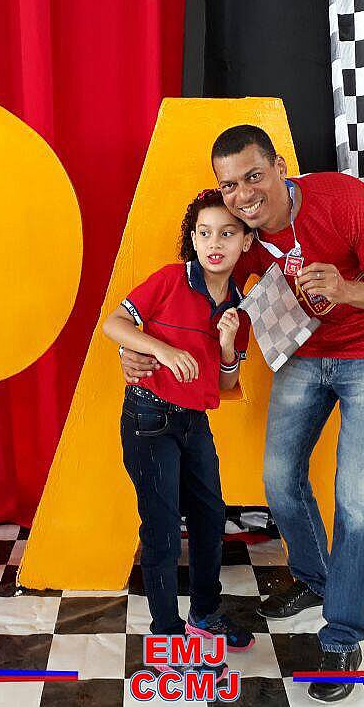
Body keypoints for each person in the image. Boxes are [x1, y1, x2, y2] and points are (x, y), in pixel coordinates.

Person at [120, 126, 364, 703]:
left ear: (280, 167)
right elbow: (192, 300)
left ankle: (342, 637)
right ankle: (314, 579)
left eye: (253, 177)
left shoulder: (343, 200)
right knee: (280, 480)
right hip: (305, 357)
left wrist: (347, 290)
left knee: (357, 498)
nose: (242, 195)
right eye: (229, 185)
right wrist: (139, 350)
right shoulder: (244, 237)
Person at [102, 189, 257, 677]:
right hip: (148, 419)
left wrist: (227, 343)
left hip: (195, 423)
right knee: (163, 529)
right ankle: (167, 635)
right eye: (204, 233)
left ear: (245, 241)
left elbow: (227, 382)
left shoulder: (239, 307)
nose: (215, 243)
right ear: (193, 238)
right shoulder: (171, 280)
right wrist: (162, 351)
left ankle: (203, 614)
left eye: (227, 234)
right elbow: (113, 324)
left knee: (211, 519)